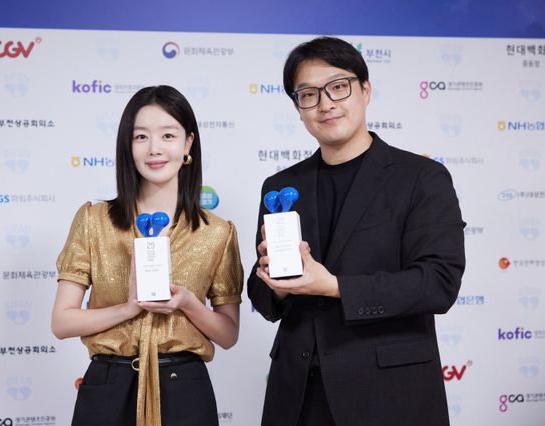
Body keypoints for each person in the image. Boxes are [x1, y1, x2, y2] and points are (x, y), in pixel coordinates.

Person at [247, 37, 465, 426]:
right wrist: (276, 284)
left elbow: (438, 283)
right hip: (297, 395)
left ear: (365, 90)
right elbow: (263, 299)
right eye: (308, 94)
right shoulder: (281, 185)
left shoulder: (420, 178)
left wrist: (334, 286)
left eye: (338, 87)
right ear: (298, 109)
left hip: (388, 394)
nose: (325, 103)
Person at [52, 85, 243, 426]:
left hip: (185, 392)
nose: (154, 148)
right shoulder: (94, 220)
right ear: (127, 146)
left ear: (188, 143)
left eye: (168, 135)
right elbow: (62, 322)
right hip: (109, 388)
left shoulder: (217, 232)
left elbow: (228, 334)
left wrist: (188, 303)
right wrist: (128, 309)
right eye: (141, 136)